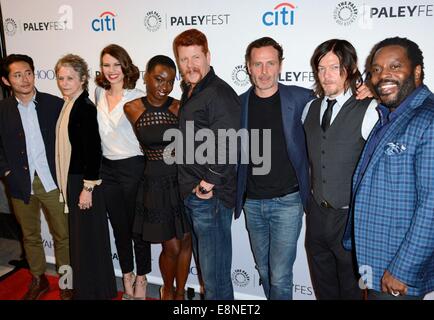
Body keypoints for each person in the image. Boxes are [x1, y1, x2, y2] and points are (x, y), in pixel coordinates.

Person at [343, 37, 434, 300]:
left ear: (416, 72)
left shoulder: (427, 119)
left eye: (395, 67)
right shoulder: (389, 115)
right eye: (377, 69)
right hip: (373, 256)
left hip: (397, 269)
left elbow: (432, 204)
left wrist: (403, 269)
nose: (384, 75)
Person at [235, 37, 314, 300]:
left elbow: (337, 105)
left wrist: (364, 92)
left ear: (280, 65)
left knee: (280, 275)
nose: (264, 71)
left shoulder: (302, 98)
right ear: (248, 67)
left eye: (270, 63)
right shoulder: (239, 104)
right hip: (252, 203)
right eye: (258, 64)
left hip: (288, 202)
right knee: (264, 270)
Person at [302, 39, 378, 300]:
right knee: (324, 287)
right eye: (321, 68)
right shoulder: (309, 108)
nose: (326, 75)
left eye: (334, 67)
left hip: (350, 220)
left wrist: (375, 89)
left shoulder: (369, 109)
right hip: (316, 217)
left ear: (350, 67)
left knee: (351, 290)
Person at [172, 29, 241, 300]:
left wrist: (206, 184)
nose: (191, 65)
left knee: (214, 278)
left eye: (196, 57)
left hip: (208, 197)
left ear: (208, 56)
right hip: (196, 194)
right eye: (184, 59)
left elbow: (230, 143)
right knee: (209, 273)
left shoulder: (218, 93)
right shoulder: (192, 89)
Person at [0, 54, 71, 300]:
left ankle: (66, 283)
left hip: (52, 181)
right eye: (17, 75)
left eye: (28, 72)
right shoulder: (2, 110)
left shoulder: (54, 104)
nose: (25, 79)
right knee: (30, 236)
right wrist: (6, 172)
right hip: (21, 184)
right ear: (6, 80)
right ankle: (38, 279)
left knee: (63, 235)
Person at [124, 55, 192, 300]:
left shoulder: (179, 107)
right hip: (154, 181)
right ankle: (167, 290)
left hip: (180, 179)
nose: (164, 86)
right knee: (171, 245)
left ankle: (181, 292)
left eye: (170, 81)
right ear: (147, 76)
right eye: (159, 79)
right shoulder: (132, 108)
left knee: (186, 241)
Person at [55, 54, 117, 300]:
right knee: (84, 240)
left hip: (84, 183)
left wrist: (87, 188)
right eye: (61, 78)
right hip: (75, 181)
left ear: (82, 79)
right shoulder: (70, 103)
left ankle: (95, 292)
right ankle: (91, 290)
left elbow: (93, 151)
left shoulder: (83, 107)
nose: (64, 82)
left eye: (70, 77)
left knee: (89, 240)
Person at [95, 44, 151, 300]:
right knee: (119, 228)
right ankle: (126, 274)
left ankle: (142, 278)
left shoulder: (137, 96)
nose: (111, 70)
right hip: (108, 170)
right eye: (107, 65)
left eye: (116, 64)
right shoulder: (97, 92)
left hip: (133, 167)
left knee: (138, 229)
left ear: (125, 66)